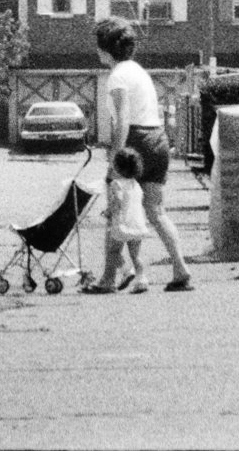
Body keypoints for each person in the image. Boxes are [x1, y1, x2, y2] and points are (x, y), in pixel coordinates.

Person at [88, 16, 193, 292]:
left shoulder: (117, 76)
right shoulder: (139, 71)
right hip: (157, 139)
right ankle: (180, 267)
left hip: (135, 141)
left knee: (119, 211)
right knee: (155, 211)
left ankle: (111, 278)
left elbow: (122, 119)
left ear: (104, 49)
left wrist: (115, 160)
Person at [98, 146, 152, 293]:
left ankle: (127, 271)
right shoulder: (136, 185)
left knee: (113, 252)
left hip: (123, 224)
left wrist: (109, 212)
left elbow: (117, 202)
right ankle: (142, 280)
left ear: (117, 168)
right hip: (138, 224)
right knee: (136, 255)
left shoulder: (116, 184)